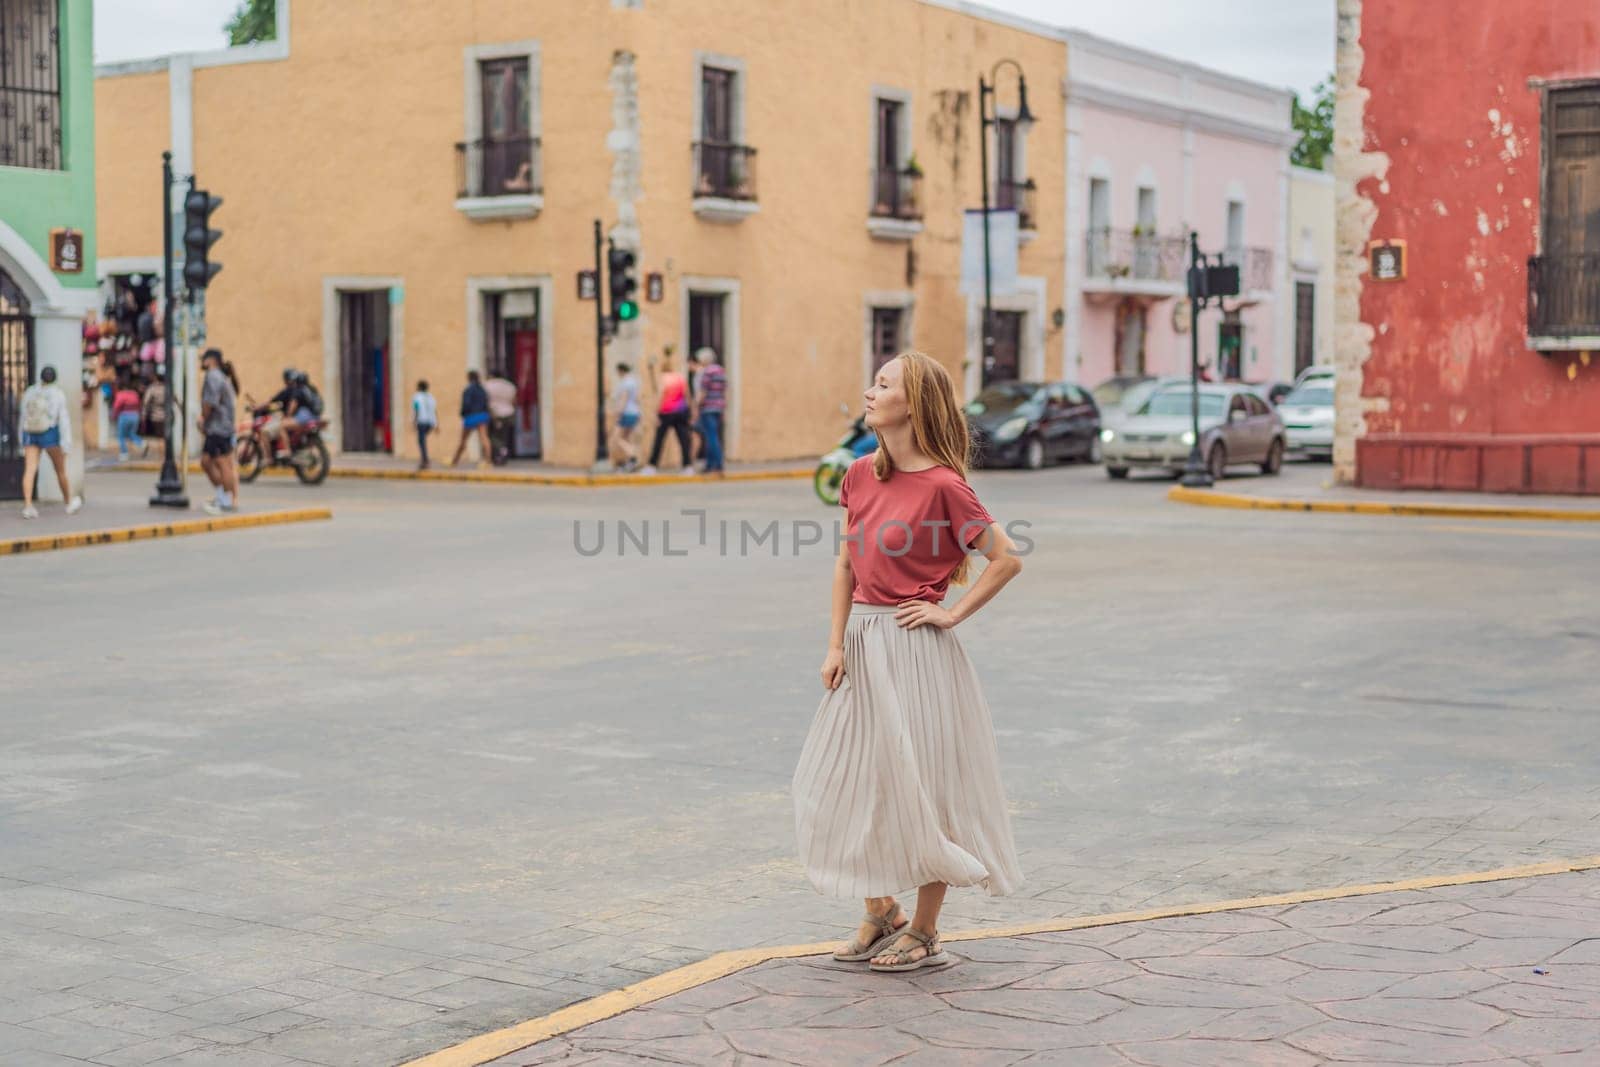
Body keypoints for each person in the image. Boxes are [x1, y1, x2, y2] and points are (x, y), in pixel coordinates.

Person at [792, 351, 1024, 973]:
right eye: (873, 380)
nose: (869, 391)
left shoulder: (946, 485)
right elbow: (845, 563)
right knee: (844, 784)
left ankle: (924, 930)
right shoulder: (860, 474)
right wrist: (836, 644)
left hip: (917, 650)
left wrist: (950, 613)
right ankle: (880, 912)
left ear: (914, 403)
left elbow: (1005, 558)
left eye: (884, 384)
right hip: (862, 646)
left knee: (925, 788)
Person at [18, 366, 83, 519]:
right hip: (49, 432)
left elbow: (23, 416)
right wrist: (66, 443)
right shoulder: (57, 394)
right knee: (60, 469)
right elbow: (63, 420)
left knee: (30, 470)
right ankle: (68, 502)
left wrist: (22, 438)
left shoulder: (31, 391)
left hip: (31, 432)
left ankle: (28, 506)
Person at [197, 348, 239, 515]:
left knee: (221, 464)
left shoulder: (213, 376)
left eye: (204, 359)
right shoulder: (222, 376)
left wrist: (203, 418)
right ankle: (223, 496)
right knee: (209, 462)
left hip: (218, 427)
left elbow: (211, 402)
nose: (202, 362)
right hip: (222, 426)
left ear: (211, 360)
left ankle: (226, 499)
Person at [641, 353, 694, 476]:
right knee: (683, 440)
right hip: (681, 412)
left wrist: (655, 413)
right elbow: (688, 395)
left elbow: (660, 396)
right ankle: (687, 466)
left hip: (666, 412)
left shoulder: (663, 378)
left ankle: (652, 465)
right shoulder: (680, 377)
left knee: (659, 440)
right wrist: (690, 411)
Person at [690, 346, 727, 476]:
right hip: (719, 407)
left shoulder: (707, 372)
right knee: (713, 435)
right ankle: (712, 464)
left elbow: (702, 392)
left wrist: (696, 406)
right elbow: (724, 390)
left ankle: (715, 465)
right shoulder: (721, 371)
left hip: (708, 407)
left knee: (711, 437)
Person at [263, 368, 309, 460]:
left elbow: (292, 404)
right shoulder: (305, 391)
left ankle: (270, 457)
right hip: (303, 418)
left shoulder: (293, 390)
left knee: (271, 430)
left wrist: (287, 416)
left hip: (297, 419)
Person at [451, 370, 491, 467]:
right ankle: (488, 461)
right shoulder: (482, 389)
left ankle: (455, 461)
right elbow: (486, 402)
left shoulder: (468, 390)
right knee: (484, 438)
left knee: (463, 440)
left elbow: (466, 404)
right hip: (482, 415)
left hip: (471, 416)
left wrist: (463, 413)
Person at [607, 361, 641, 472]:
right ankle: (629, 462)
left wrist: (618, 413)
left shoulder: (625, 383)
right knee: (626, 438)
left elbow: (624, 399)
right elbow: (637, 399)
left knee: (617, 438)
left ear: (621, 371)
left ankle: (633, 457)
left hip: (626, 413)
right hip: (635, 412)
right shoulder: (634, 382)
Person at [484, 372, 517, 465]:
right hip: (509, 413)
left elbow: (486, 401)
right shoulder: (510, 386)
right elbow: (514, 401)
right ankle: (504, 453)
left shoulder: (488, 385)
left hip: (495, 414)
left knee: (494, 437)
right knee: (505, 436)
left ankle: (500, 453)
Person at [110, 378, 143, 461]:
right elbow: (139, 405)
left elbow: (117, 406)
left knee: (121, 436)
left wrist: (113, 415)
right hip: (135, 415)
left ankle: (124, 453)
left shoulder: (120, 394)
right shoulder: (134, 394)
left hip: (125, 415)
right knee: (131, 433)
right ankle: (142, 443)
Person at [140, 369, 167, 459]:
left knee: (159, 438)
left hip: (156, 417)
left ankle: (162, 457)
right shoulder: (167, 388)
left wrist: (143, 415)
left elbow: (145, 402)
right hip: (167, 417)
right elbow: (176, 399)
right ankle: (150, 449)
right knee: (163, 437)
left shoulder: (152, 388)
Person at [411, 379, 438, 470]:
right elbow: (434, 410)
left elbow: (416, 409)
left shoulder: (416, 397)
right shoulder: (431, 397)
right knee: (422, 441)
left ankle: (425, 461)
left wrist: (414, 421)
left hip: (421, 421)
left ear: (419, 387)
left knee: (421, 441)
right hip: (430, 422)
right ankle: (425, 460)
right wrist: (436, 424)